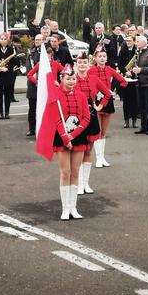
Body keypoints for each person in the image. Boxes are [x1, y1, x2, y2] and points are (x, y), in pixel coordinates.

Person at [52, 64, 90, 220]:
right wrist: (65, 137)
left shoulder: (81, 96)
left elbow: (86, 118)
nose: (71, 81)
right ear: (61, 79)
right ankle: (65, 208)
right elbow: (56, 118)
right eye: (68, 79)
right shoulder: (55, 95)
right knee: (65, 172)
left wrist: (73, 135)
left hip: (78, 136)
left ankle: (73, 207)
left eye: (73, 79)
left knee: (75, 172)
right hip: (61, 137)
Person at [75, 53, 111, 194]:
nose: (82, 65)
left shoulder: (94, 78)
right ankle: (77, 184)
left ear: (88, 64)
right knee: (78, 151)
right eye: (80, 63)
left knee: (88, 151)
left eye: (84, 62)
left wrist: (100, 106)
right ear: (76, 65)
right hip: (77, 116)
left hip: (91, 115)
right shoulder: (72, 79)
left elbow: (107, 94)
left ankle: (85, 184)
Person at [89, 47, 127, 167]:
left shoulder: (109, 69)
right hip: (96, 100)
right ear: (95, 58)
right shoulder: (91, 71)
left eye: (104, 56)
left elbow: (123, 81)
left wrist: (115, 91)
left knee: (104, 131)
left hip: (108, 100)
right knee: (97, 130)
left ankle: (102, 157)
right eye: (100, 56)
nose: (102, 58)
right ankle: (98, 158)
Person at [131, 35, 148, 135]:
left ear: (144, 43)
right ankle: (144, 126)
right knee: (141, 106)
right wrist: (134, 70)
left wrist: (141, 70)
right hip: (140, 82)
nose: (136, 43)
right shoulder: (138, 53)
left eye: (138, 41)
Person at [0, 32, 21, 119]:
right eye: (1, 39)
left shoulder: (11, 49)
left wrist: (7, 68)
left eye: (5, 39)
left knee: (7, 94)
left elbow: (14, 62)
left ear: (8, 40)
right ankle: (0, 112)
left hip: (7, 74)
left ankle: (7, 112)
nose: (3, 41)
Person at [117, 35, 140, 128]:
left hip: (135, 78)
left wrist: (133, 71)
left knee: (135, 100)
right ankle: (126, 121)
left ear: (134, 41)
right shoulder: (123, 51)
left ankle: (134, 121)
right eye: (127, 41)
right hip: (126, 78)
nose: (128, 43)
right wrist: (125, 71)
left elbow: (139, 63)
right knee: (126, 101)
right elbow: (119, 64)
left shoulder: (137, 51)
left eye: (130, 41)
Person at [25, 35, 43, 136]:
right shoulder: (31, 53)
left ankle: (42, 128)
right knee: (32, 109)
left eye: (39, 40)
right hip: (33, 85)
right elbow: (28, 68)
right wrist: (34, 76)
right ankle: (32, 129)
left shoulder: (46, 52)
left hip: (42, 84)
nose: (37, 41)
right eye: (36, 40)